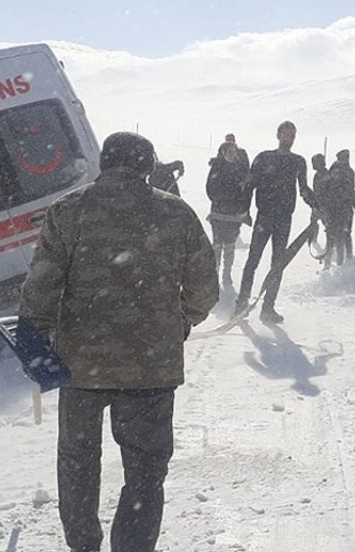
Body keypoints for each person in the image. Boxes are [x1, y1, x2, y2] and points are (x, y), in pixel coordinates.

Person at [18, 132, 218, 552]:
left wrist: (35, 339)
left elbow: (40, 289)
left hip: (81, 366)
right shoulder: (177, 213)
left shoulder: (68, 210)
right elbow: (204, 290)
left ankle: (84, 544)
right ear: (148, 167)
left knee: (77, 463)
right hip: (152, 367)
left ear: (103, 163)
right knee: (145, 469)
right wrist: (178, 323)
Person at [236, 120, 314, 323]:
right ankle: (241, 305)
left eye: (292, 135)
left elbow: (304, 189)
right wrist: (245, 210)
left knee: (278, 264)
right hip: (265, 216)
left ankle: (268, 308)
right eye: (286, 134)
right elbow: (249, 185)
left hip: (284, 219)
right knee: (252, 261)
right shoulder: (264, 158)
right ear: (278, 135)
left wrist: (317, 207)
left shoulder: (298, 162)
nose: (289, 138)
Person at [206, 140, 251, 287]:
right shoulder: (217, 168)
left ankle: (227, 274)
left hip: (234, 216)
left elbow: (245, 191)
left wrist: (242, 207)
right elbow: (210, 189)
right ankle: (214, 273)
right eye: (230, 152)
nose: (233, 155)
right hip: (218, 214)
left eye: (234, 152)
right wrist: (224, 198)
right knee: (217, 246)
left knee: (230, 247)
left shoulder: (240, 169)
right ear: (223, 153)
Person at [323, 149, 355, 268]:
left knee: (342, 237)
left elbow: (349, 192)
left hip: (343, 210)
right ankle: (331, 263)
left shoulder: (348, 172)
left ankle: (343, 262)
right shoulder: (340, 170)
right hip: (334, 210)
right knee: (334, 238)